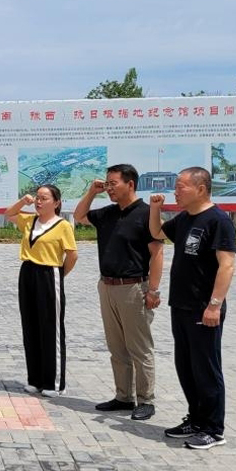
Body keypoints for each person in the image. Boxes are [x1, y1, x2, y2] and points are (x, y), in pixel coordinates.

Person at [148, 167, 236, 451]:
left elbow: (227, 265)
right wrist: (155, 208)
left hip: (204, 308)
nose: (176, 191)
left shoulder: (218, 220)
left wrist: (214, 305)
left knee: (206, 368)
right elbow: (157, 232)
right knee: (185, 366)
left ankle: (214, 428)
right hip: (181, 305)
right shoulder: (186, 218)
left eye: (181, 186)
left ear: (201, 188)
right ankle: (196, 419)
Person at [74, 164, 163, 421]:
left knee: (139, 347)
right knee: (117, 347)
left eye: (114, 183)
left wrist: (153, 290)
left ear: (130, 184)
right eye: (107, 183)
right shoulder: (108, 214)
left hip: (134, 287)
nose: (109, 188)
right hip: (108, 286)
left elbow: (157, 253)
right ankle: (124, 396)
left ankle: (146, 400)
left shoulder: (147, 213)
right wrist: (91, 192)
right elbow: (80, 216)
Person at [4, 185, 79, 397]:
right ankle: (35, 379)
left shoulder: (63, 225)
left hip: (49, 273)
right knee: (30, 325)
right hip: (27, 272)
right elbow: (8, 214)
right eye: (37, 198)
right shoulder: (30, 220)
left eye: (44, 198)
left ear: (56, 203)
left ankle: (54, 382)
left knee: (50, 327)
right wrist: (22, 202)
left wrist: (59, 275)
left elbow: (72, 255)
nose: (38, 201)